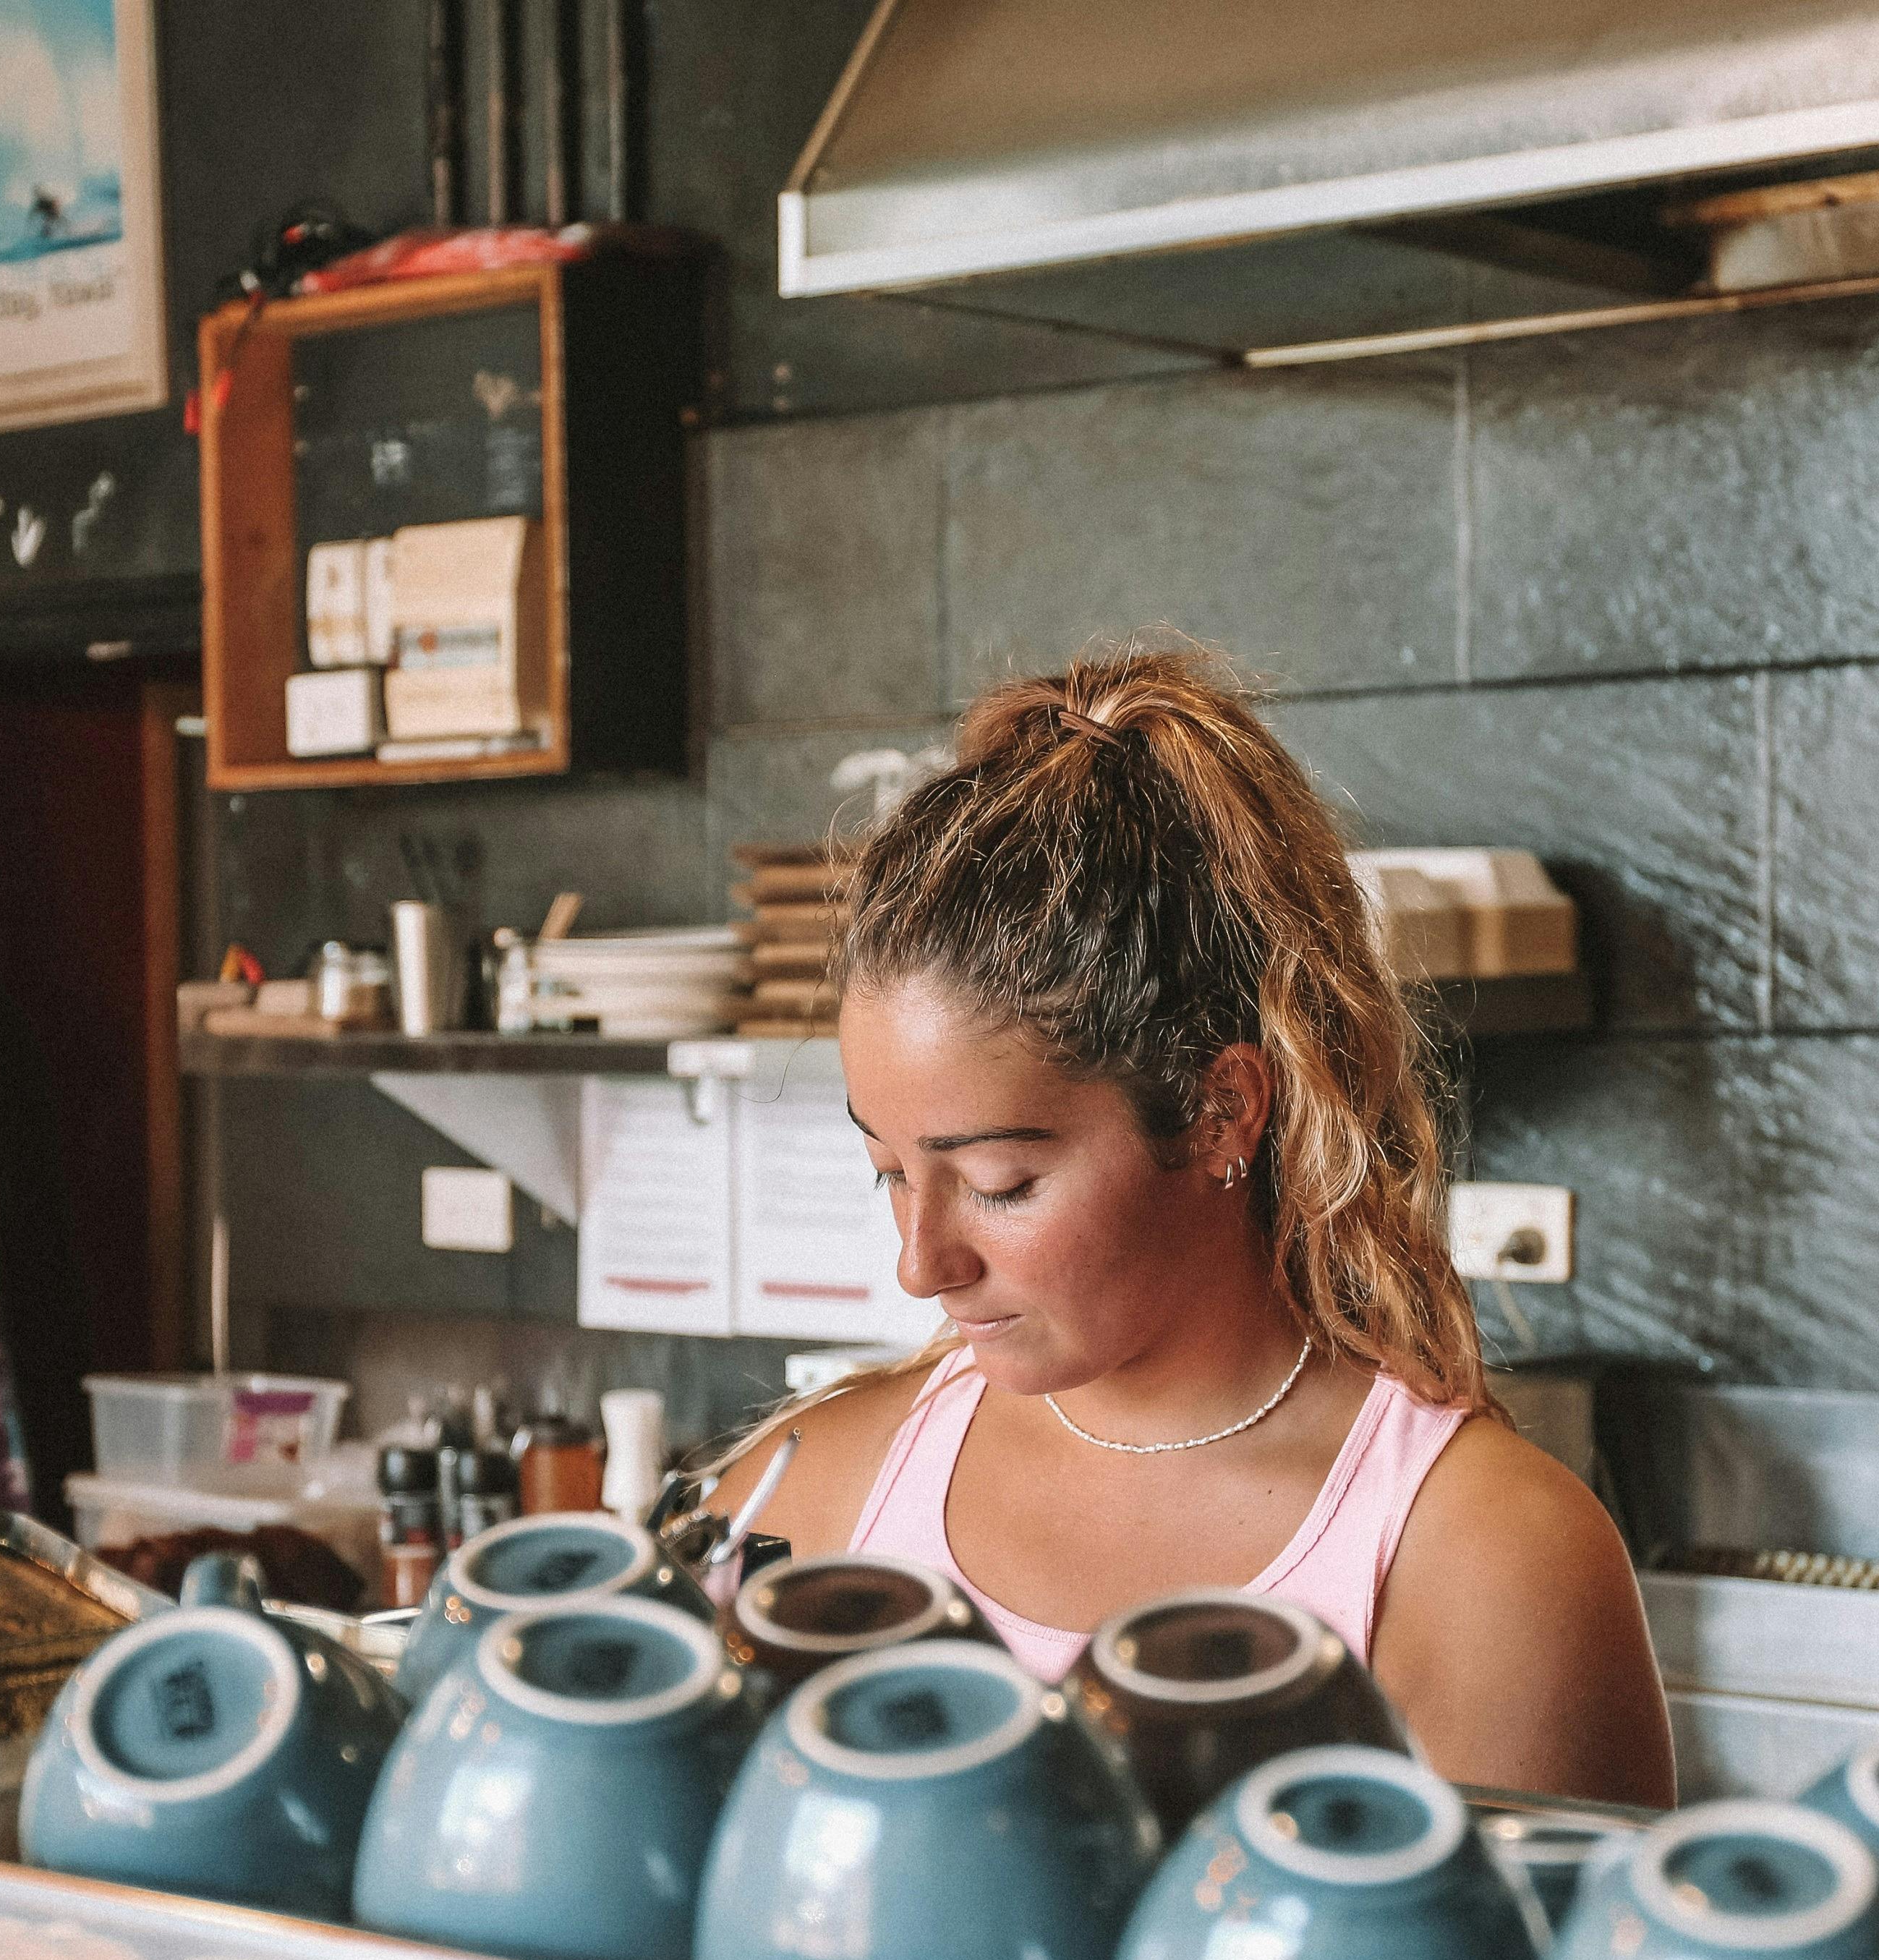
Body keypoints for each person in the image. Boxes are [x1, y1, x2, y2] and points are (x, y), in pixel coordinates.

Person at [704, 649, 1674, 1808]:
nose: (924, 1266)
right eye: (888, 1175)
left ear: (1222, 1110)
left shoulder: (1483, 1560)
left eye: (1003, 1183)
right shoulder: (814, 1493)